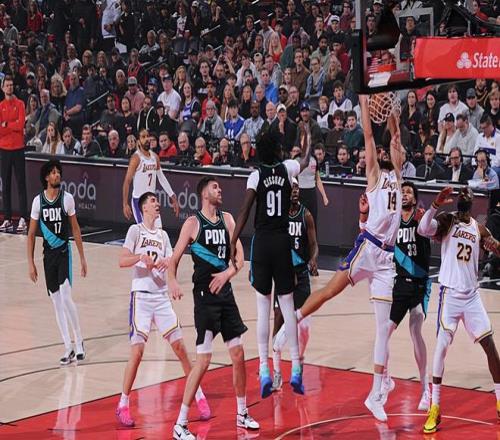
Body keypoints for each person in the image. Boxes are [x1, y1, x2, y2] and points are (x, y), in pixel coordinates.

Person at [296, 95, 404, 422]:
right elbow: (369, 136)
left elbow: (396, 138)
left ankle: (376, 392)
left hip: (386, 259)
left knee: (383, 328)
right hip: (368, 247)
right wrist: (365, 102)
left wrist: (393, 112)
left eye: (387, 152)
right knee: (332, 290)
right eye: (381, 152)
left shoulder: (398, 175)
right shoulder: (374, 174)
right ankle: (295, 319)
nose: (384, 153)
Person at [168, 177, 259, 440]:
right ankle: (180, 424)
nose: (220, 190)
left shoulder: (228, 219)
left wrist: (227, 274)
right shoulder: (193, 223)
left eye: (220, 187)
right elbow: (173, 260)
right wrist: (172, 281)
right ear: (204, 193)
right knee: (204, 360)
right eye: (215, 187)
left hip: (225, 294)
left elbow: (240, 257)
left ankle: (242, 412)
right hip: (205, 296)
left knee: (238, 354)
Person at [230, 124, 311, 399]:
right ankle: (296, 369)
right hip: (282, 241)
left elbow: (244, 211)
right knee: (287, 306)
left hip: (262, 243)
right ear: (277, 149)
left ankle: (264, 370)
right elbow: (305, 160)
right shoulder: (287, 169)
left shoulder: (256, 176)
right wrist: (307, 136)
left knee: (263, 308)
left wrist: (233, 241)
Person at [116, 191, 210, 428]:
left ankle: (199, 396)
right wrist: (141, 257)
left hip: (161, 297)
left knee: (181, 349)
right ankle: (123, 403)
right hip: (141, 297)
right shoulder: (135, 231)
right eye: (153, 201)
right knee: (137, 352)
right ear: (144, 208)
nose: (157, 204)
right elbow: (122, 260)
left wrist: (169, 270)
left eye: (157, 201)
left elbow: (171, 262)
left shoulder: (163, 235)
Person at [418, 186, 500, 433]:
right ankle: (435, 408)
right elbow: (423, 229)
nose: (465, 196)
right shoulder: (448, 220)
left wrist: (495, 245)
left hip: (472, 297)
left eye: (468, 194)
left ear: (472, 202)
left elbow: (497, 248)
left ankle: (499, 399)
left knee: (490, 346)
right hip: (450, 296)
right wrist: (436, 204)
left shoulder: (479, 228)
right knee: (441, 349)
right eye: (461, 194)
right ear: (458, 201)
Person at [360, 181, 432, 411]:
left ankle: (425, 389)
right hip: (399, 284)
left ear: (415, 198)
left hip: (419, 284)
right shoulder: (392, 221)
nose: (406, 194)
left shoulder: (421, 218)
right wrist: (364, 216)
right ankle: (386, 378)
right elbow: (368, 233)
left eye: (409, 192)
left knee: (415, 330)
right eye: (403, 192)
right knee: (385, 332)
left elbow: (432, 226)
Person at [27, 160, 87, 364]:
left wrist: (82, 257)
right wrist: (30, 263)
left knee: (67, 296)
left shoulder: (67, 199)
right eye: (53, 172)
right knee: (56, 302)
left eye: (58, 172)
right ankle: (67, 346)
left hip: (63, 253)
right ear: (46, 177)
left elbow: (75, 229)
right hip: (48, 256)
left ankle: (79, 341)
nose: (57, 175)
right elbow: (31, 234)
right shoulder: (38, 202)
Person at [272, 180, 318, 390]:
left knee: (304, 325)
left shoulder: (305, 215)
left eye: (297, 188)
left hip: (301, 273)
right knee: (278, 318)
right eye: (292, 188)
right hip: (283, 272)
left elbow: (314, 244)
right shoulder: (278, 215)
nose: (295, 191)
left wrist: (313, 259)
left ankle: (299, 360)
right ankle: (276, 371)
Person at [122, 129, 179, 228]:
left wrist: (172, 196)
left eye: (147, 136)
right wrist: (125, 204)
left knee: (158, 232)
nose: (147, 139)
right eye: (143, 137)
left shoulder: (155, 157)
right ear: (138, 141)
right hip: (139, 201)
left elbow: (161, 178)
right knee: (145, 231)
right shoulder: (136, 158)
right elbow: (127, 182)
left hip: (152, 201)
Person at [0, 76, 28, 233]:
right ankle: (7, 219)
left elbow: (20, 124)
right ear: (3, 88)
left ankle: (23, 217)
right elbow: (0, 129)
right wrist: (11, 126)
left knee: (21, 183)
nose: (10, 87)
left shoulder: (20, 104)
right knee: (6, 185)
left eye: (11, 85)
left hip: (18, 148)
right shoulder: (0, 106)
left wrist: (6, 124)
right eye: (7, 85)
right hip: (4, 149)